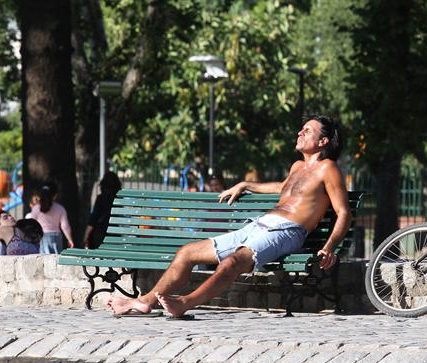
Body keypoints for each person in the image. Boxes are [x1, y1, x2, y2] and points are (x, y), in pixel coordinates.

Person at [107, 114, 350, 318]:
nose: (300, 132)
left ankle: (184, 303)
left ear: (323, 141)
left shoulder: (328, 169)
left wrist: (329, 247)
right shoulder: (297, 167)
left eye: (307, 130)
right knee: (187, 252)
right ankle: (146, 301)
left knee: (232, 262)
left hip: (287, 231)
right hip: (259, 226)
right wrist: (245, 184)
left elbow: (343, 212)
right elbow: (282, 188)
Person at [0, 211, 43, 281]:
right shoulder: (25, 232)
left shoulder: (5, 231)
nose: (11, 217)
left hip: (11, 273)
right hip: (32, 271)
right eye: (5, 217)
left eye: (10, 215)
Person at [30, 183, 74, 253]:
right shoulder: (60, 208)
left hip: (41, 237)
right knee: (56, 260)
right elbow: (65, 226)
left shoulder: (36, 209)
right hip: (56, 237)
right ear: (55, 195)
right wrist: (69, 239)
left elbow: (32, 225)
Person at [83, 171, 122, 249]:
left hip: (100, 235)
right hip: (115, 234)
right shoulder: (119, 199)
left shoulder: (101, 198)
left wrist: (86, 236)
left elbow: (93, 219)